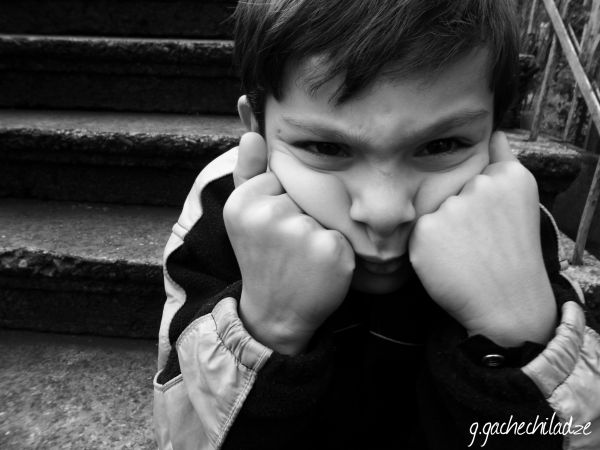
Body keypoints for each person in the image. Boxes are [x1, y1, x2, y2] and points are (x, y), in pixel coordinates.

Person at [153, 1, 600, 448]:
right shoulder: (219, 217)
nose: (385, 213)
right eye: (325, 148)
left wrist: (519, 338)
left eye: (442, 144)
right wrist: (268, 328)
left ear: (493, 139)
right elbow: (185, 435)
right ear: (259, 133)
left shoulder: (513, 233)